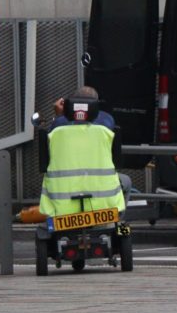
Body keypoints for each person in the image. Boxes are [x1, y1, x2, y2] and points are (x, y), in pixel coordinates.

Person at [38, 91, 125, 219]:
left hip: (62, 209)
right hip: (103, 210)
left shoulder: (57, 127)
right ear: (95, 104)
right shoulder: (107, 124)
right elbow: (116, 160)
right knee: (126, 183)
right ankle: (117, 224)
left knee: (47, 230)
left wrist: (59, 115)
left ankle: (55, 232)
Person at [50, 85, 114, 132]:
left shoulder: (60, 121)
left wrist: (60, 115)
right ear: (96, 103)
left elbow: (52, 137)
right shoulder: (107, 118)